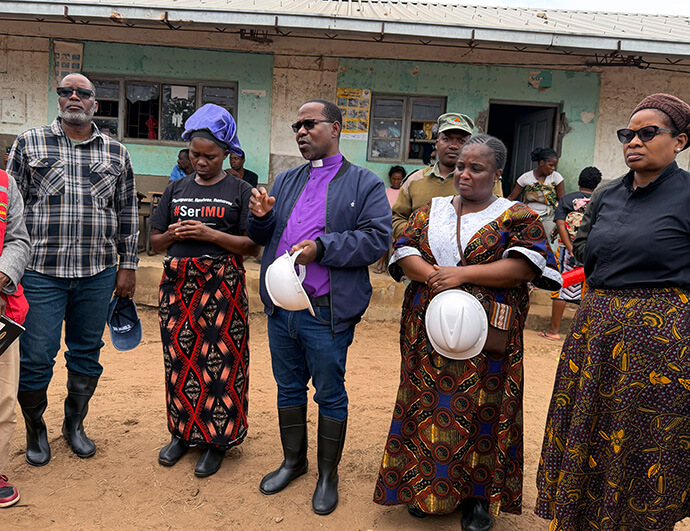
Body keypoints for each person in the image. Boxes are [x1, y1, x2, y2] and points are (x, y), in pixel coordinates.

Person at [373, 135, 560, 530]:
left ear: (496, 173)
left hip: (489, 336)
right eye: (460, 166)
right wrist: (436, 278)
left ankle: (478, 498)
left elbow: (525, 268)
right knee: (427, 405)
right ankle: (425, 488)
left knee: (484, 409)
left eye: (476, 168)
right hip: (429, 331)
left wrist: (461, 275)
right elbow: (404, 252)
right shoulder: (430, 211)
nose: (464, 174)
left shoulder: (518, 216)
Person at [536, 93, 690, 530]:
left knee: (647, 435)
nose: (634, 142)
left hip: (663, 343)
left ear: (678, 141)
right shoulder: (607, 195)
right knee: (592, 422)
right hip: (597, 331)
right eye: (628, 134)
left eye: (648, 133)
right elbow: (585, 246)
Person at [247, 99, 391, 515]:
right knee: (288, 388)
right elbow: (264, 235)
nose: (301, 132)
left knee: (329, 393)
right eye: (297, 126)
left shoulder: (364, 183)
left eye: (310, 124)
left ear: (336, 127)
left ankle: (328, 474)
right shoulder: (287, 179)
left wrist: (323, 248)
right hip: (281, 307)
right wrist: (259, 218)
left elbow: (376, 239)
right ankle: (293, 462)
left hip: (326, 311)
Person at [6, 73, 138, 466]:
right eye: (67, 92)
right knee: (35, 357)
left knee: (87, 353)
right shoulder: (29, 143)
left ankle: (74, 424)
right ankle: (35, 427)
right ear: (59, 99)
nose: (75, 98)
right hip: (40, 272)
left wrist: (127, 266)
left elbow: (128, 214)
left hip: (96, 273)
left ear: (96, 104)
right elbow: (7, 211)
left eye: (84, 93)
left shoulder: (116, 153)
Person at [150, 104, 259, 478]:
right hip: (178, 286)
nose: (200, 162)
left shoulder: (241, 190)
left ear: (227, 153)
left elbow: (251, 245)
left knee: (221, 364)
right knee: (179, 361)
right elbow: (154, 243)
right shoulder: (175, 189)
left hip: (222, 285)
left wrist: (210, 235)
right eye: (194, 155)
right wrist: (173, 234)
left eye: (209, 156)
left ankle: (217, 441)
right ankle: (182, 434)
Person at [538, 166, 602, 341]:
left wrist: (571, 247)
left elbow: (560, 224)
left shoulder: (567, 200)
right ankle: (585, 334)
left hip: (568, 249)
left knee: (561, 286)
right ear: (596, 184)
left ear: (579, 181)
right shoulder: (599, 201)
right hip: (592, 251)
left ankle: (554, 331)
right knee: (589, 289)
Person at [391, 113, 474, 241]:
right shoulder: (414, 180)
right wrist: (419, 237)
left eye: (461, 141)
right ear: (436, 144)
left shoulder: (484, 182)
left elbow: (497, 223)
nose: (453, 146)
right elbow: (397, 218)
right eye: (446, 139)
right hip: (416, 257)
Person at [0, 168, 31, 508]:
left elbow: (17, 239)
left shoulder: (5, 185)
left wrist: (3, 274)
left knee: (3, 396)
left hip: (1, 305)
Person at [507, 147, 565, 239]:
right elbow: (511, 198)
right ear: (541, 163)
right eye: (550, 165)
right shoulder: (526, 178)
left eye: (554, 166)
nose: (553, 169)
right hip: (528, 217)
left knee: (548, 245)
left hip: (548, 217)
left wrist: (560, 223)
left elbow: (562, 202)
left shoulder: (556, 178)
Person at [373, 165, 405, 274]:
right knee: (386, 236)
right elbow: (381, 208)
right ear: (390, 179)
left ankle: (393, 265)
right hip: (387, 221)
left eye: (399, 179)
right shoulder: (386, 191)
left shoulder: (404, 192)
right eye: (394, 179)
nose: (396, 181)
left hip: (399, 222)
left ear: (402, 180)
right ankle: (381, 262)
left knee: (399, 238)